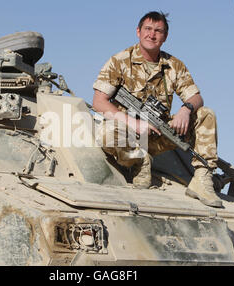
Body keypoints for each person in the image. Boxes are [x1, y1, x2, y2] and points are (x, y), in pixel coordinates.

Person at [92, 11, 222, 208]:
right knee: (106, 133)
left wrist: (185, 110)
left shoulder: (174, 66)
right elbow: (99, 102)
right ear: (138, 31)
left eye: (158, 31)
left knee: (206, 114)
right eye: (148, 29)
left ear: (165, 37)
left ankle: (202, 178)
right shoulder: (119, 61)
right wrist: (134, 123)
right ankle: (140, 162)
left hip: (160, 133)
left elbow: (196, 97)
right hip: (129, 135)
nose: (152, 35)